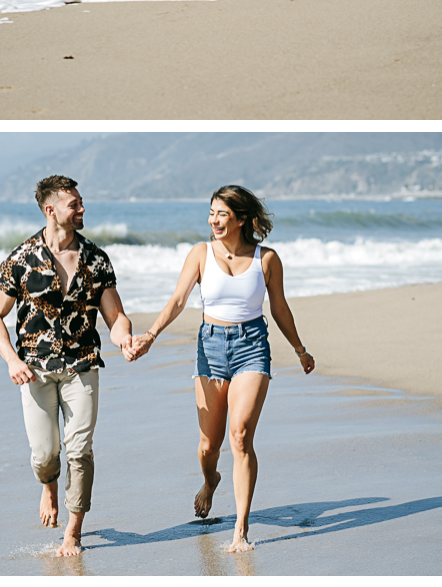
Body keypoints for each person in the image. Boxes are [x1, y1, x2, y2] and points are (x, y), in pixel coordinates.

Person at [128, 185, 314, 553]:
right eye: (211, 212)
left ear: (242, 219)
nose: (213, 220)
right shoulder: (200, 254)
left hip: (252, 347)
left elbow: (279, 308)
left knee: (241, 437)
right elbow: (179, 300)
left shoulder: (267, 259)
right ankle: (211, 481)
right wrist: (150, 335)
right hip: (210, 348)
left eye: (222, 214)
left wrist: (299, 349)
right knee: (207, 446)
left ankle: (240, 530)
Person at [0, 175, 135, 557]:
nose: (82, 209)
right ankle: (48, 485)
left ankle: (73, 531)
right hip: (34, 369)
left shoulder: (96, 259)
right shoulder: (20, 259)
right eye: (75, 204)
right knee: (43, 454)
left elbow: (115, 316)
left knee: (80, 450)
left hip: (82, 365)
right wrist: (11, 360)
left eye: (81, 202)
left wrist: (125, 339)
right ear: (51, 210)